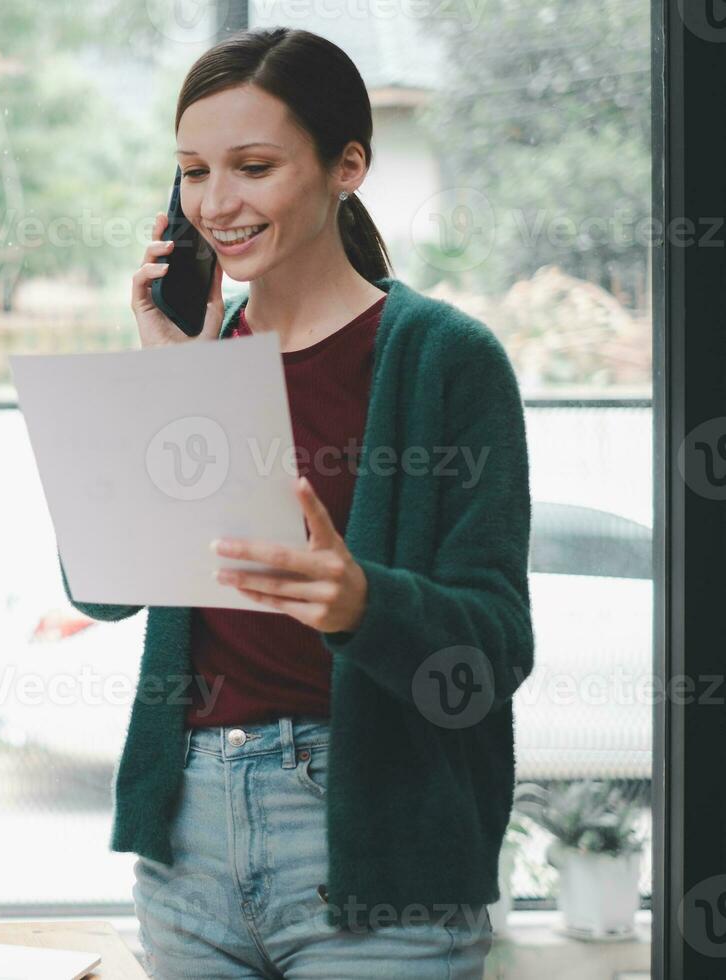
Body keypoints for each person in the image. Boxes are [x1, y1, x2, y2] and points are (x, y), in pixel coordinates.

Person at [58, 27, 533, 978]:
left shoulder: (446, 358)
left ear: (346, 165)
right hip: (188, 838)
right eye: (193, 171)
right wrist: (169, 390)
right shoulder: (199, 355)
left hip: (376, 847)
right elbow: (99, 591)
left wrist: (364, 603)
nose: (215, 203)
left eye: (254, 166)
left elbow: (497, 650)